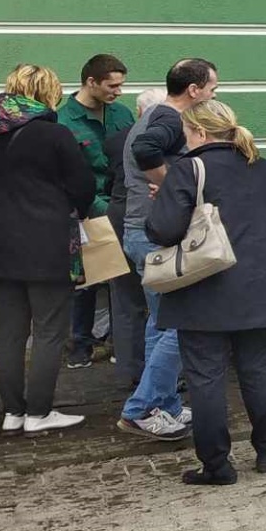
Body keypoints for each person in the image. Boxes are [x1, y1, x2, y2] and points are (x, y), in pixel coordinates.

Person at [146, 101, 266, 485]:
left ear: (199, 132)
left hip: (205, 289)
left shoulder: (189, 169)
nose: (184, 139)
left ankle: (217, 465)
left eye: (186, 132)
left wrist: (162, 202)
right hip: (261, 289)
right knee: (259, 369)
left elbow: (163, 229)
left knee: (205, 377)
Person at [0, 65, 97, 434]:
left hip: (0, 241)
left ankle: (13, 412)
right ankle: (39, 413)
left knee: (11, 332)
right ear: (47, 92)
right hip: (47, 242)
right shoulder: (54, 133)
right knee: (49, 331)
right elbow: (83, 186)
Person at [117, 59, 216, 441]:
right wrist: (175, 185)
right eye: (212, 89)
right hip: (155, 235)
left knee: (160, 323)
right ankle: (140, 409)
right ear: (194, 90)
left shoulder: (154, 116)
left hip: (141, 231)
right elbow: (146, 149)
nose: (213, 95)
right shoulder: (170, 119)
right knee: (181, 323)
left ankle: (166, 404)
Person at [58, 54, 135, 369]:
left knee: (122, 277)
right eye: (112, 86)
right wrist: (101, 207)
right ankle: (80, 346)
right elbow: (66, 175)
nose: (118, 92)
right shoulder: (64, 121)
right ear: (91, 82)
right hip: (84, 209)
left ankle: (121, 343)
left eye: (120, 85)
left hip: (123, 205)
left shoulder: (122, 114)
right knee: (85, 279)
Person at [106, 88, 165, 392]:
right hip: (148, 222)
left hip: (119, 218)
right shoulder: (164, 141)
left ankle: (128, 369)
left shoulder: (118, 139)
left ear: (139, 111)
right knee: (159, 306)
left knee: (124, 299)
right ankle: (157, 378)